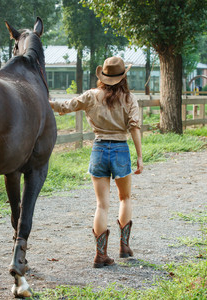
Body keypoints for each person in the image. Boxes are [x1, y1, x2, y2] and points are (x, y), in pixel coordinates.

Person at [49, 56, 143, 268]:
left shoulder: (91, 96)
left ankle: (100, 255)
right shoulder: (129, 99)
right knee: (125, 198)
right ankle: (124, 247)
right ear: (123, 77)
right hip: (120, 150)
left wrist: (48, 102)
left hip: (99, 149)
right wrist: (139, 156)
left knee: (102, 204)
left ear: (104, 76)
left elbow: (65, 106)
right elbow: (135, 127)